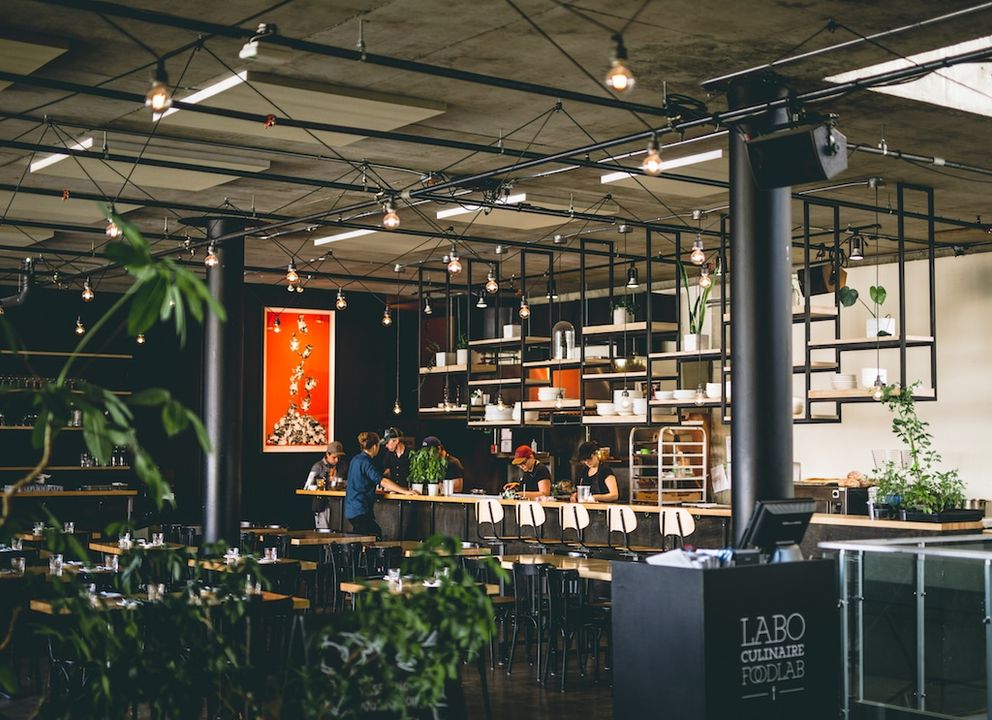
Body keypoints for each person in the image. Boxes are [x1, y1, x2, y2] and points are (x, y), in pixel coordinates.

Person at [345, 431, 417, 537]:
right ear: (375, 446)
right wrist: (405, 491)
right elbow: (383, 481)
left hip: (351, 509)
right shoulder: (366, 462)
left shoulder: (355, 459)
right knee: (374, 534)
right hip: (360, 509)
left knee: (363, 537)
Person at [303, 440, 348, 529]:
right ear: (327, 454)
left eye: (339, 457)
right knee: (324, 531)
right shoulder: (318, 466)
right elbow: (307, 486)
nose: (337, 460)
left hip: (339, 504)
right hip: (322, 504)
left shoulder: (343, 466)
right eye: (334, 457)